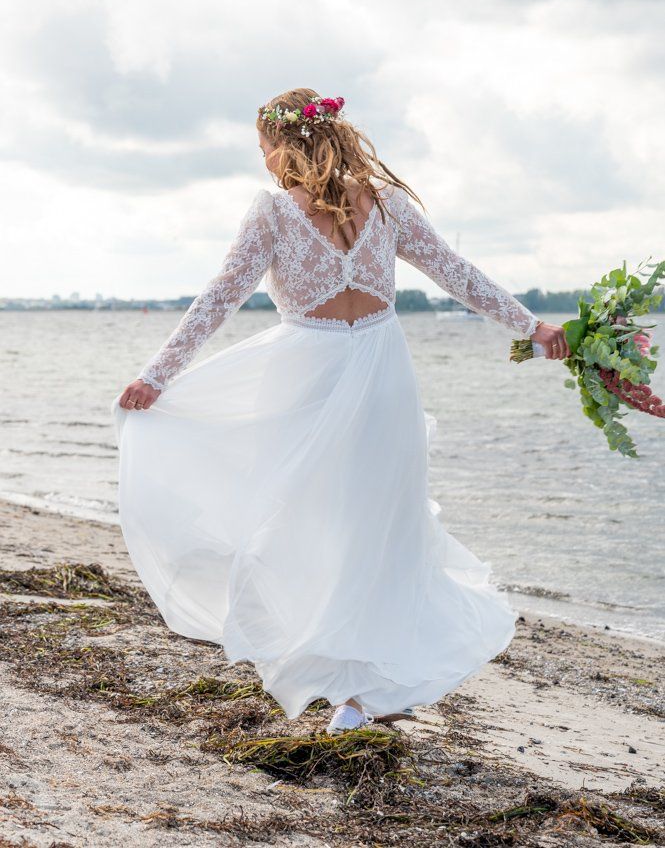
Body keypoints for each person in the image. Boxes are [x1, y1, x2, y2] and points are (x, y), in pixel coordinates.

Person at [111, 87, 569, 736]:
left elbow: (219, 299)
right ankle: (363, 686)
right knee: (369, 526)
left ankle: (356, 687)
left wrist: (156, 376)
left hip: (312, 376)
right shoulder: (382, 203)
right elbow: (458, 276)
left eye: (264, 147)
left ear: (285, 144)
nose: (263, 160)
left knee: (327, 527)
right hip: (378, 372)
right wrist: (533, 327)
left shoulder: (276, 212)